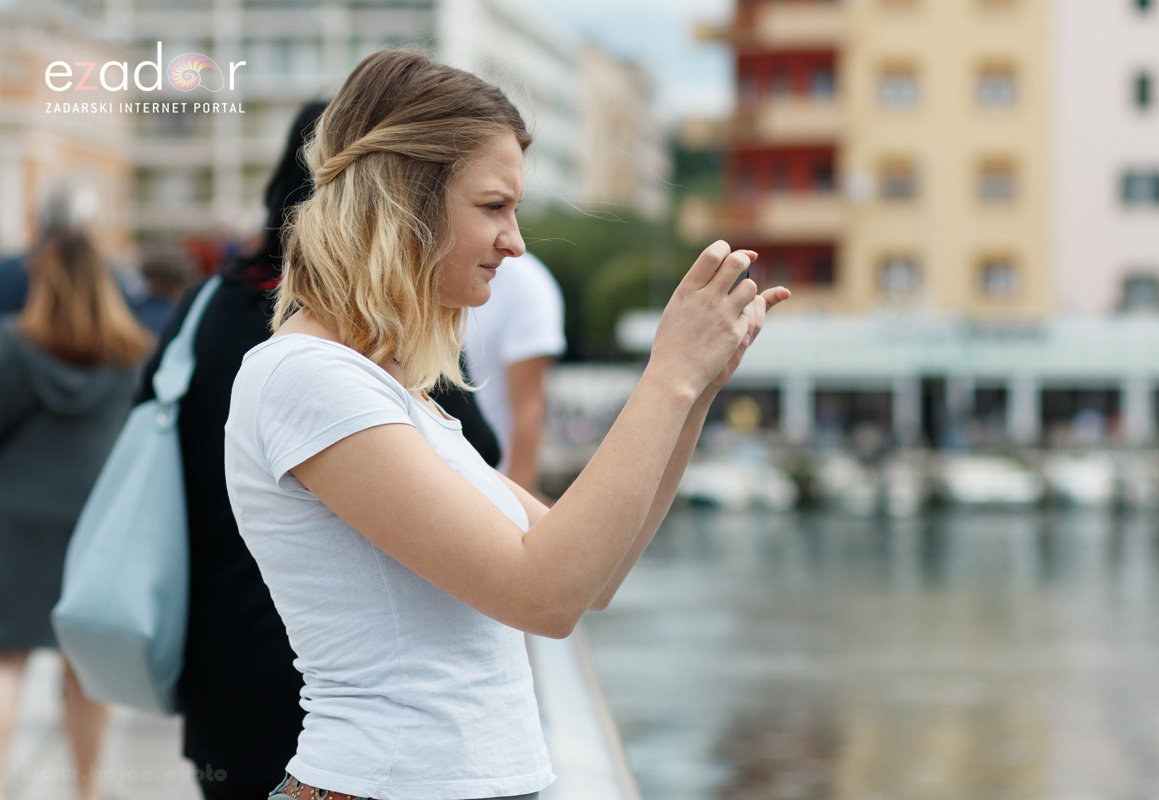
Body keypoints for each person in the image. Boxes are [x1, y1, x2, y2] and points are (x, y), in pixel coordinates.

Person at [225, 49, 788, 800]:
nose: (516, 241)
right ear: (407, 201)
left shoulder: (391, 390)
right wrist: (667, 376)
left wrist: (693, 395)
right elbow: (543, 597)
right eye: (494, 207)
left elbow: (594, 575)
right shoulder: (306, 379)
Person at [137, 99, 502, 800]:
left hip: (221, 656)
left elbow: (152, 426)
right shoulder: (367, 336)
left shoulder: (206, 309)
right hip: (355, 676)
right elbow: (476, 450)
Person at [0, 229, 153, 800]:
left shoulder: (13, 348)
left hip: (13, 521)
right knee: (84, 670)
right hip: (95, 524)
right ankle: (88, 790)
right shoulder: (134, 354)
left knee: (6, 662)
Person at [463, 251, 565, 494]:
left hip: (489, 487)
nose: (515, 243)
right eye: (493, 209)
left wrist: (517, 507)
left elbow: (530, 409)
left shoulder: (524, 283)